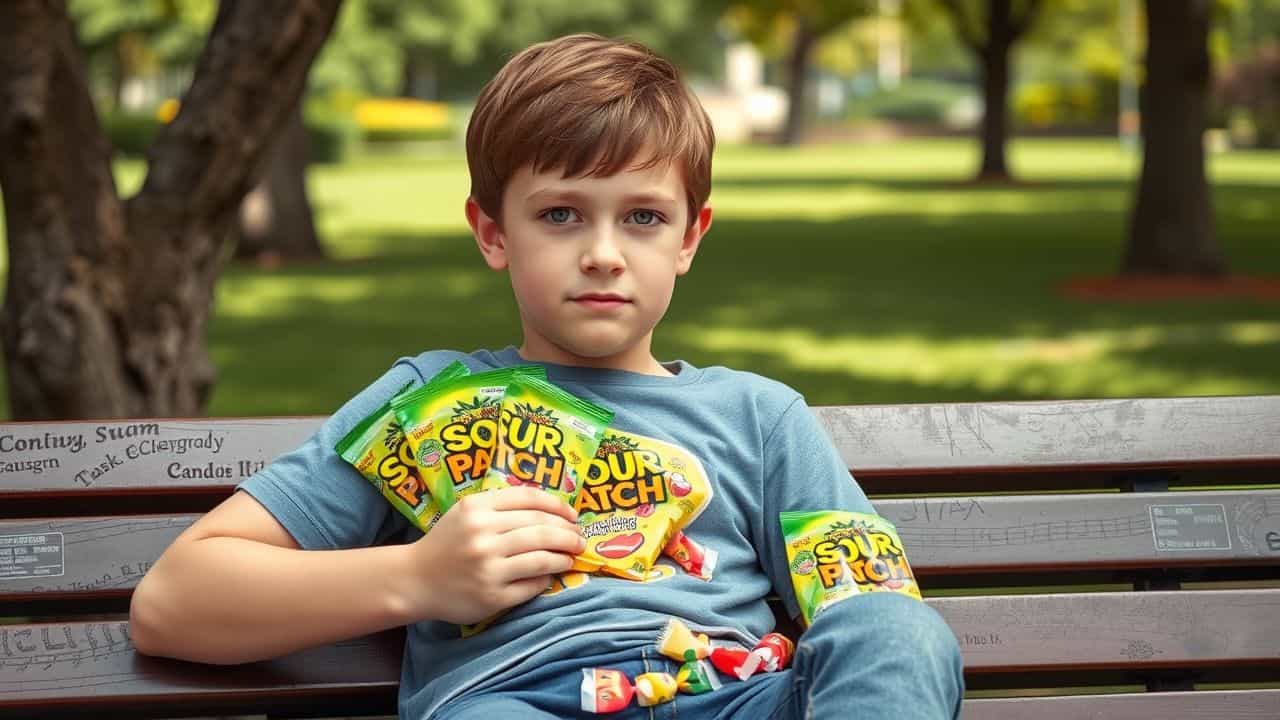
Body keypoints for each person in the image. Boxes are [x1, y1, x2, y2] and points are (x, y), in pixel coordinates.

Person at [129, 33, 963, 720]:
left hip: (733, 700)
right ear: (493, 234)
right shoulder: (431, 402)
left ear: (688, 238)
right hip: (520, 702)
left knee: (899, 629)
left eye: (643, 217)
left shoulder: (759, 416)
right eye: (560, 214)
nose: (603, 252)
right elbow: (171, 604)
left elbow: (866, 606)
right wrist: (418, 578)